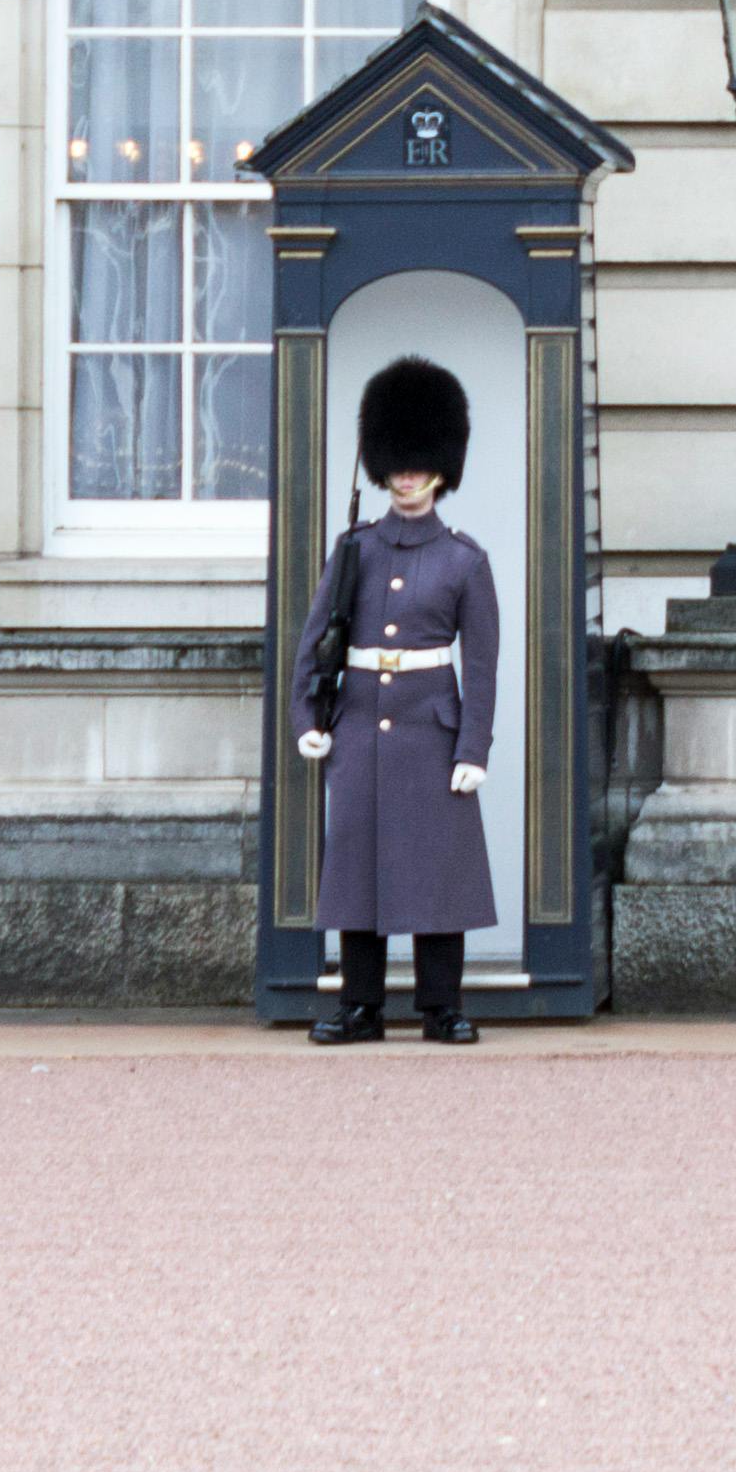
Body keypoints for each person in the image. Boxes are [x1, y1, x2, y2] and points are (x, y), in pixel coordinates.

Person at [292, 356, 500, 1045]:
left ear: (440, 468)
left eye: (418, 463)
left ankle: (441, 1006)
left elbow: (482, 663)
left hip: (429, 729)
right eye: (398, 464)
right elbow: (316, 638)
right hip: (358, 727)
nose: (406, 475)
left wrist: (473, 747)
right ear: (383, 467)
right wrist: (308, 717)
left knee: (437, 869)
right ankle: (362, 1007)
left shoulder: (464, 560)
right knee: (356, 869)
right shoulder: (355, 548)